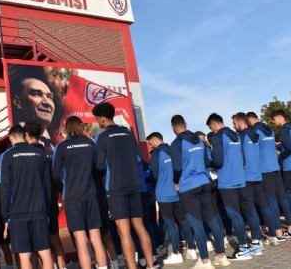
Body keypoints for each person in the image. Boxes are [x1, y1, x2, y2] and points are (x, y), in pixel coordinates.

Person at [92, 102, 154, 269]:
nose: (98, 122)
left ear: (103, 119)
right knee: (140, 227)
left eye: (98, 119)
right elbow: (140, 159)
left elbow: (98, 165)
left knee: (123, 230)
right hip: (135, 184)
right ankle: (150, 265)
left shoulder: (101, 137)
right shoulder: (127, 133)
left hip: (115, 188)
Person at [170, 115, 229, 269]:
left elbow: (176, 167)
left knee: (197, 223)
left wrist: (176, 181)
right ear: (186, 124)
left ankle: (204, 261)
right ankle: (221, 256)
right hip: (204, 183)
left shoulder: (176, 143)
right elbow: (206, 161)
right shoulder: (199, 140)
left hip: (188, 187)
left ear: (173, 128)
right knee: (212, 219)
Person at [52, 116, 107, 269]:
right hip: (91, 195)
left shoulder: (62, 146)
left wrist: (64, 190)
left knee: (81, 241)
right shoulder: (90, 143)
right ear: (80, 126)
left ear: (67, 128)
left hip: (73, 198)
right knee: (96, 237)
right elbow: (100, 167)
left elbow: (55, 174)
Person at [0, 125, 54, 269]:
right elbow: (48, 184)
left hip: (18, 213)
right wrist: (47, 209)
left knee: (25, 255)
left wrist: (5, 217)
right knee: (45, 251)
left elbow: (5, 188)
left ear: (11, 137)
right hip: (39, 209)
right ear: (24, 135)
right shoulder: (39, 153)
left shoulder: (7, 156)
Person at [206, 113, 253, 261]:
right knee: (240, 213)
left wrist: (208, 162)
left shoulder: (218, 137)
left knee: (234, 215)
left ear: (214, 125)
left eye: (210, 128)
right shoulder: (236, 136)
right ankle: (247, 245)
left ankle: (244, 248)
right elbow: (243, 159)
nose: (212, 131)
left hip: (227, 182)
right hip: (240, 178)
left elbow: (218, 161)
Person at [146, 131, 197, 264]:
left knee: (170, 224)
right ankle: (192, 249)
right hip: (177, 192)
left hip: (164, 194)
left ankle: (176, 253)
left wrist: (147, 178)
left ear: (156, 141)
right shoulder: (173, 150)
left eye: (150, 143)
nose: (150, 146)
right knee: (183, 221)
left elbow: (154, 175)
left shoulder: (156, 154)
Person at [246, 112, 291, 239]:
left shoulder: (255, 132)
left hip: (264, 170)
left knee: (271, 200)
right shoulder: (270, 130)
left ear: (249, 121)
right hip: (275, 167)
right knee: (282, 197)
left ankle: (278, 231)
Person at [24, 120, 66, 269]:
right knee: (54, 238)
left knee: (35, 244)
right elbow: (55, 178)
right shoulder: (48, 153)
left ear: (26, 135)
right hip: (50, 202)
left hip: (33, 206)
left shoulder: (25, 156)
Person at [232, 113, 279, 247]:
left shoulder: (241, 136)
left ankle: (256, 240)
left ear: (241, 122)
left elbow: (239, 157)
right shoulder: (256, 135)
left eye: (234, 124)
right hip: (258, 175)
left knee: (251, 209)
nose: (234, 127)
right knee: (264, 206)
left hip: (246, 176)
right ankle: (273, 235)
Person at [9, 65, 61, 153]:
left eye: (49, 97)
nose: (46, 102)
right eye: (36, 94)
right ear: (17, 102)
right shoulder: (15, 142)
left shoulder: (56, 145)